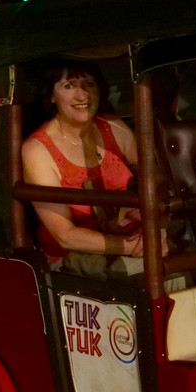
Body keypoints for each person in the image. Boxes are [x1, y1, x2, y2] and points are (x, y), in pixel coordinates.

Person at [22, 60, 166, 278]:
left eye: (89, 84)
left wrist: (158, 231)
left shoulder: (114, 127)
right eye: (69, 86)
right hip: (72, 259)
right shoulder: (36, 150)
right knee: (163, 272)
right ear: (51, 95)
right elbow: (65, 236)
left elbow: (158, 182)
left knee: (195, 258)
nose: (83, 96)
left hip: (133, 239)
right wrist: (136, 247)